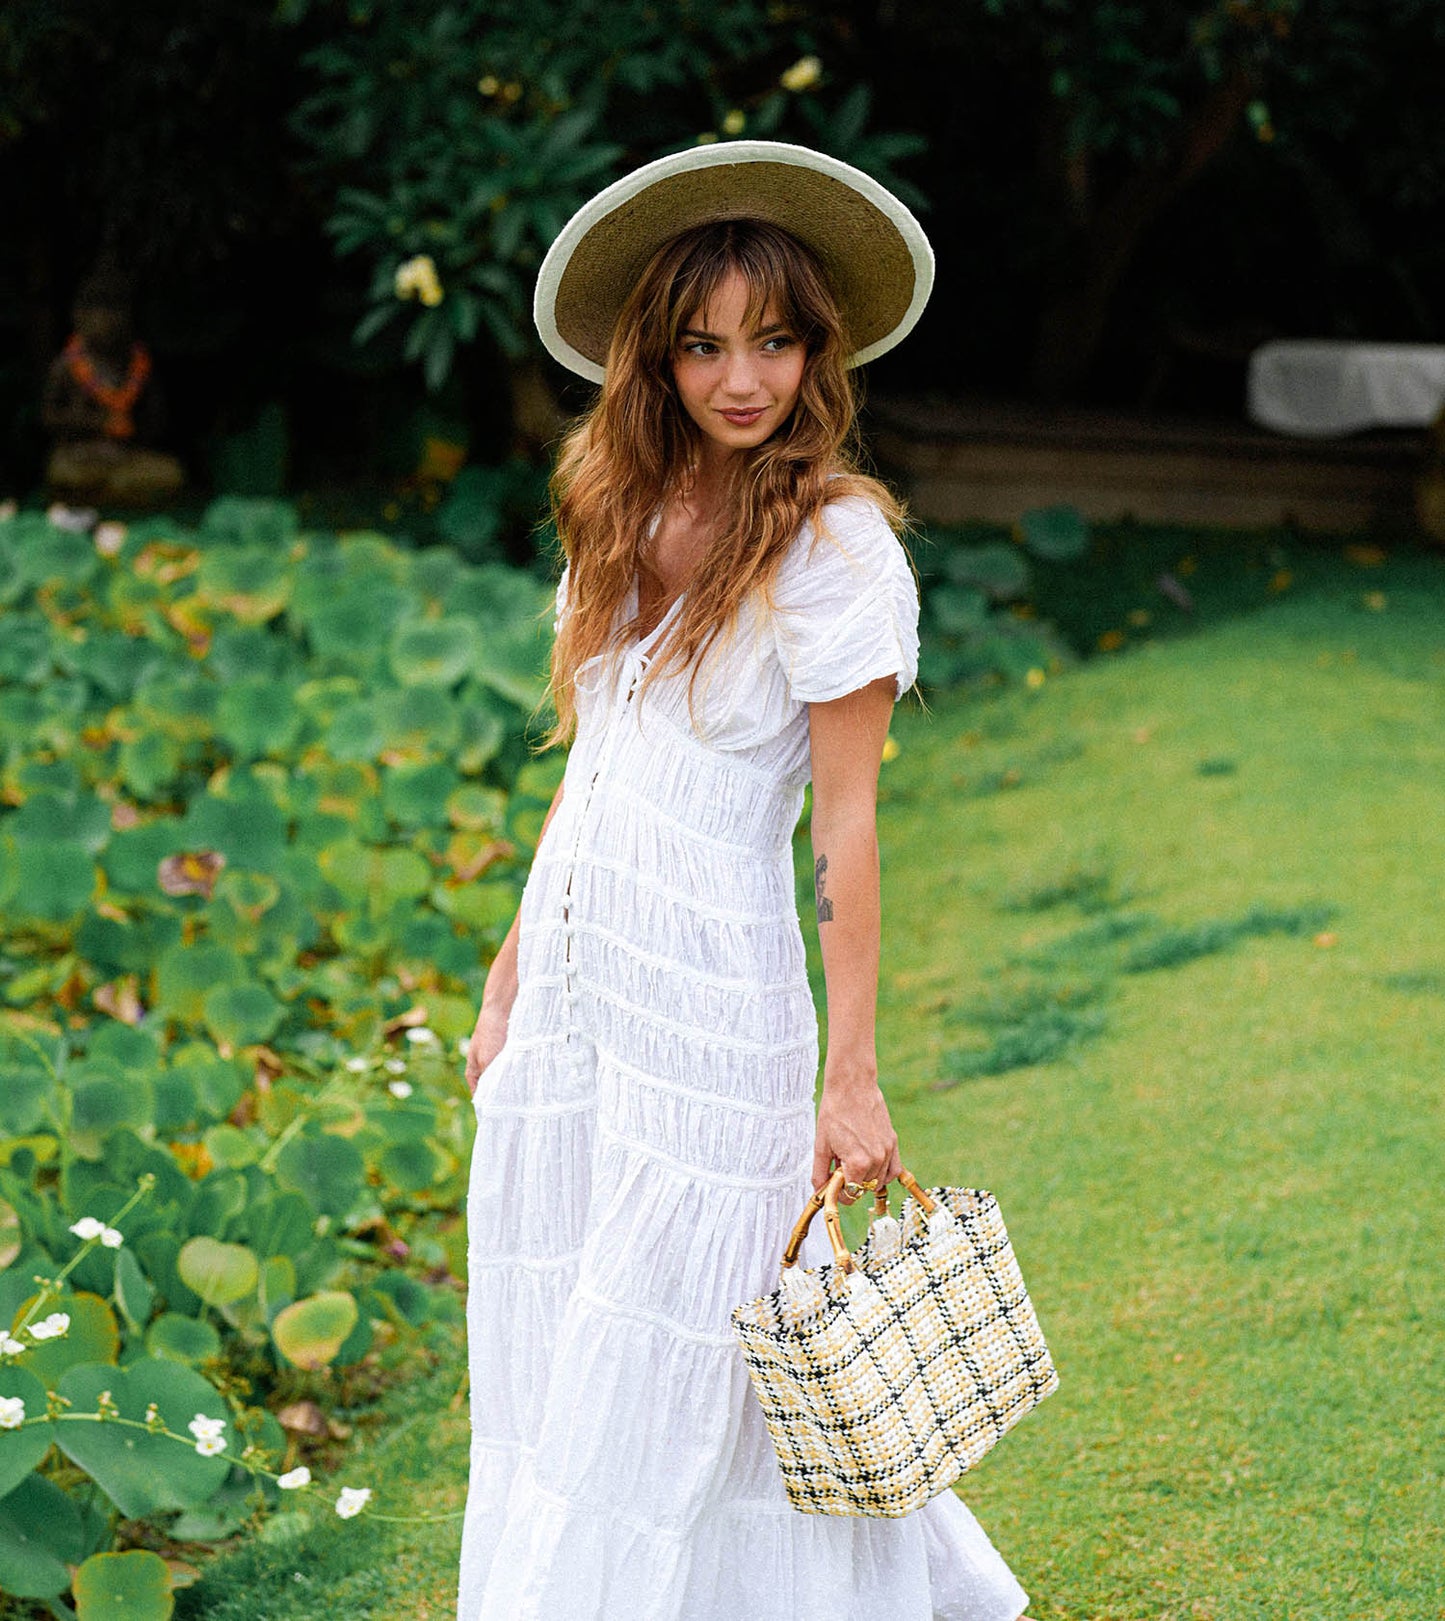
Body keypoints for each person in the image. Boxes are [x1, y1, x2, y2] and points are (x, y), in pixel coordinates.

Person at [458, 141, 1031, 1621]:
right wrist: (515, 971)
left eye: (771, 340)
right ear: (654, 352)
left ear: (814, 351)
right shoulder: (621, 509)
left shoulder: (834, 542)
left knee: (713, 1358)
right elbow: (594, 772)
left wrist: (853, 1076)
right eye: (704, 341)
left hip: (718, 1009)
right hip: (590, 997)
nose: (739, 377)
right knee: (583, 1339)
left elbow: (844, 827)